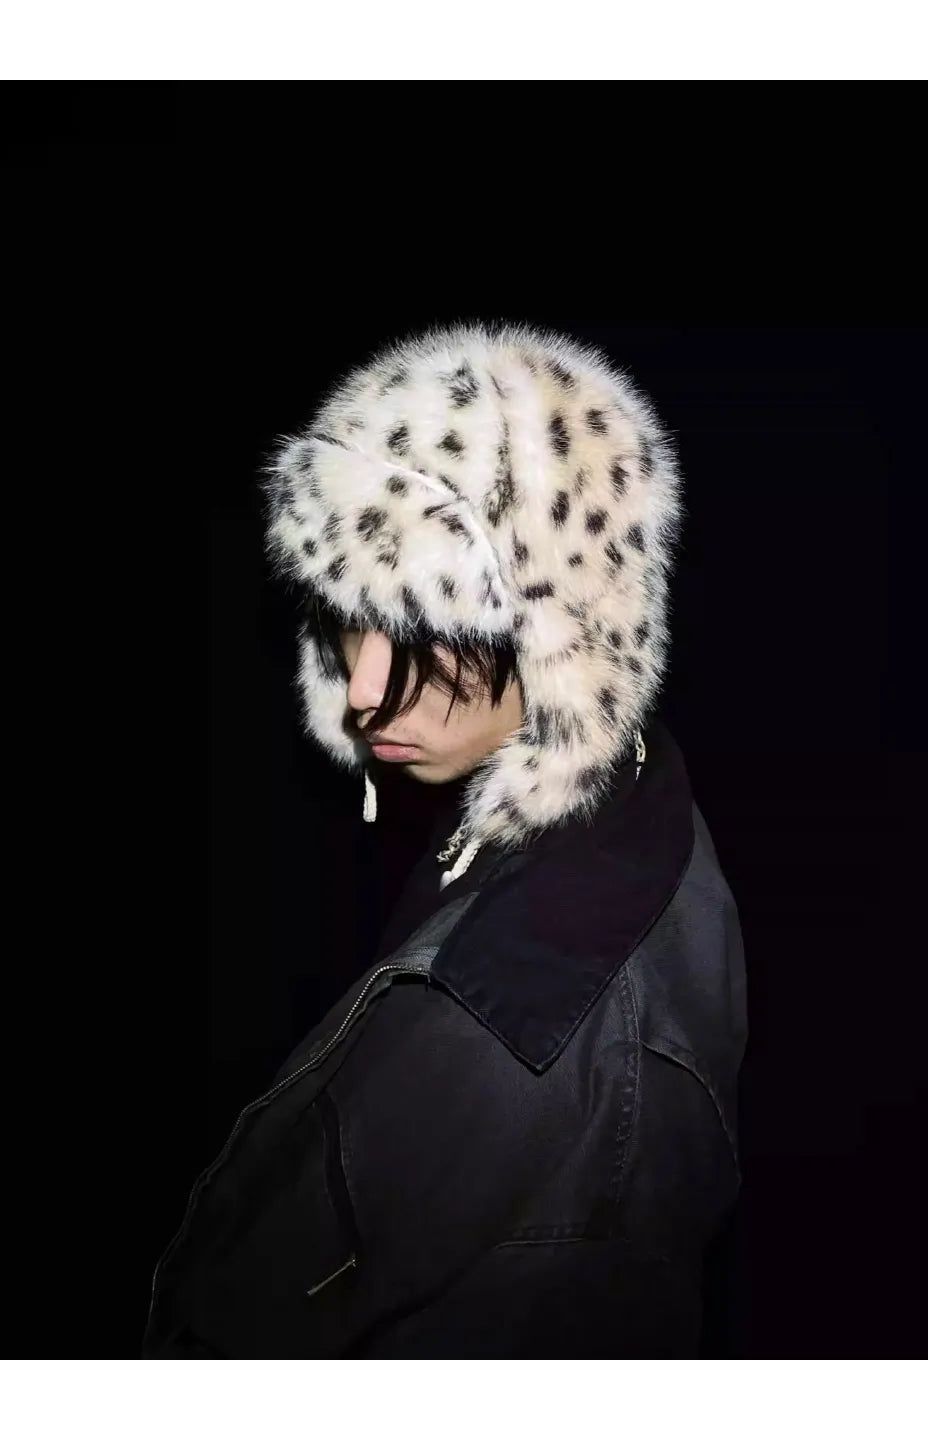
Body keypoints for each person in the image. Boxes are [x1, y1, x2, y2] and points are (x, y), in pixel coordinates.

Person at [142, 321, 747, 1358]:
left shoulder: (547, 1051)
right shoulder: (603, 802)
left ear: (567, 637)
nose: (365, 692)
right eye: (351, 612)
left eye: (432, 626)